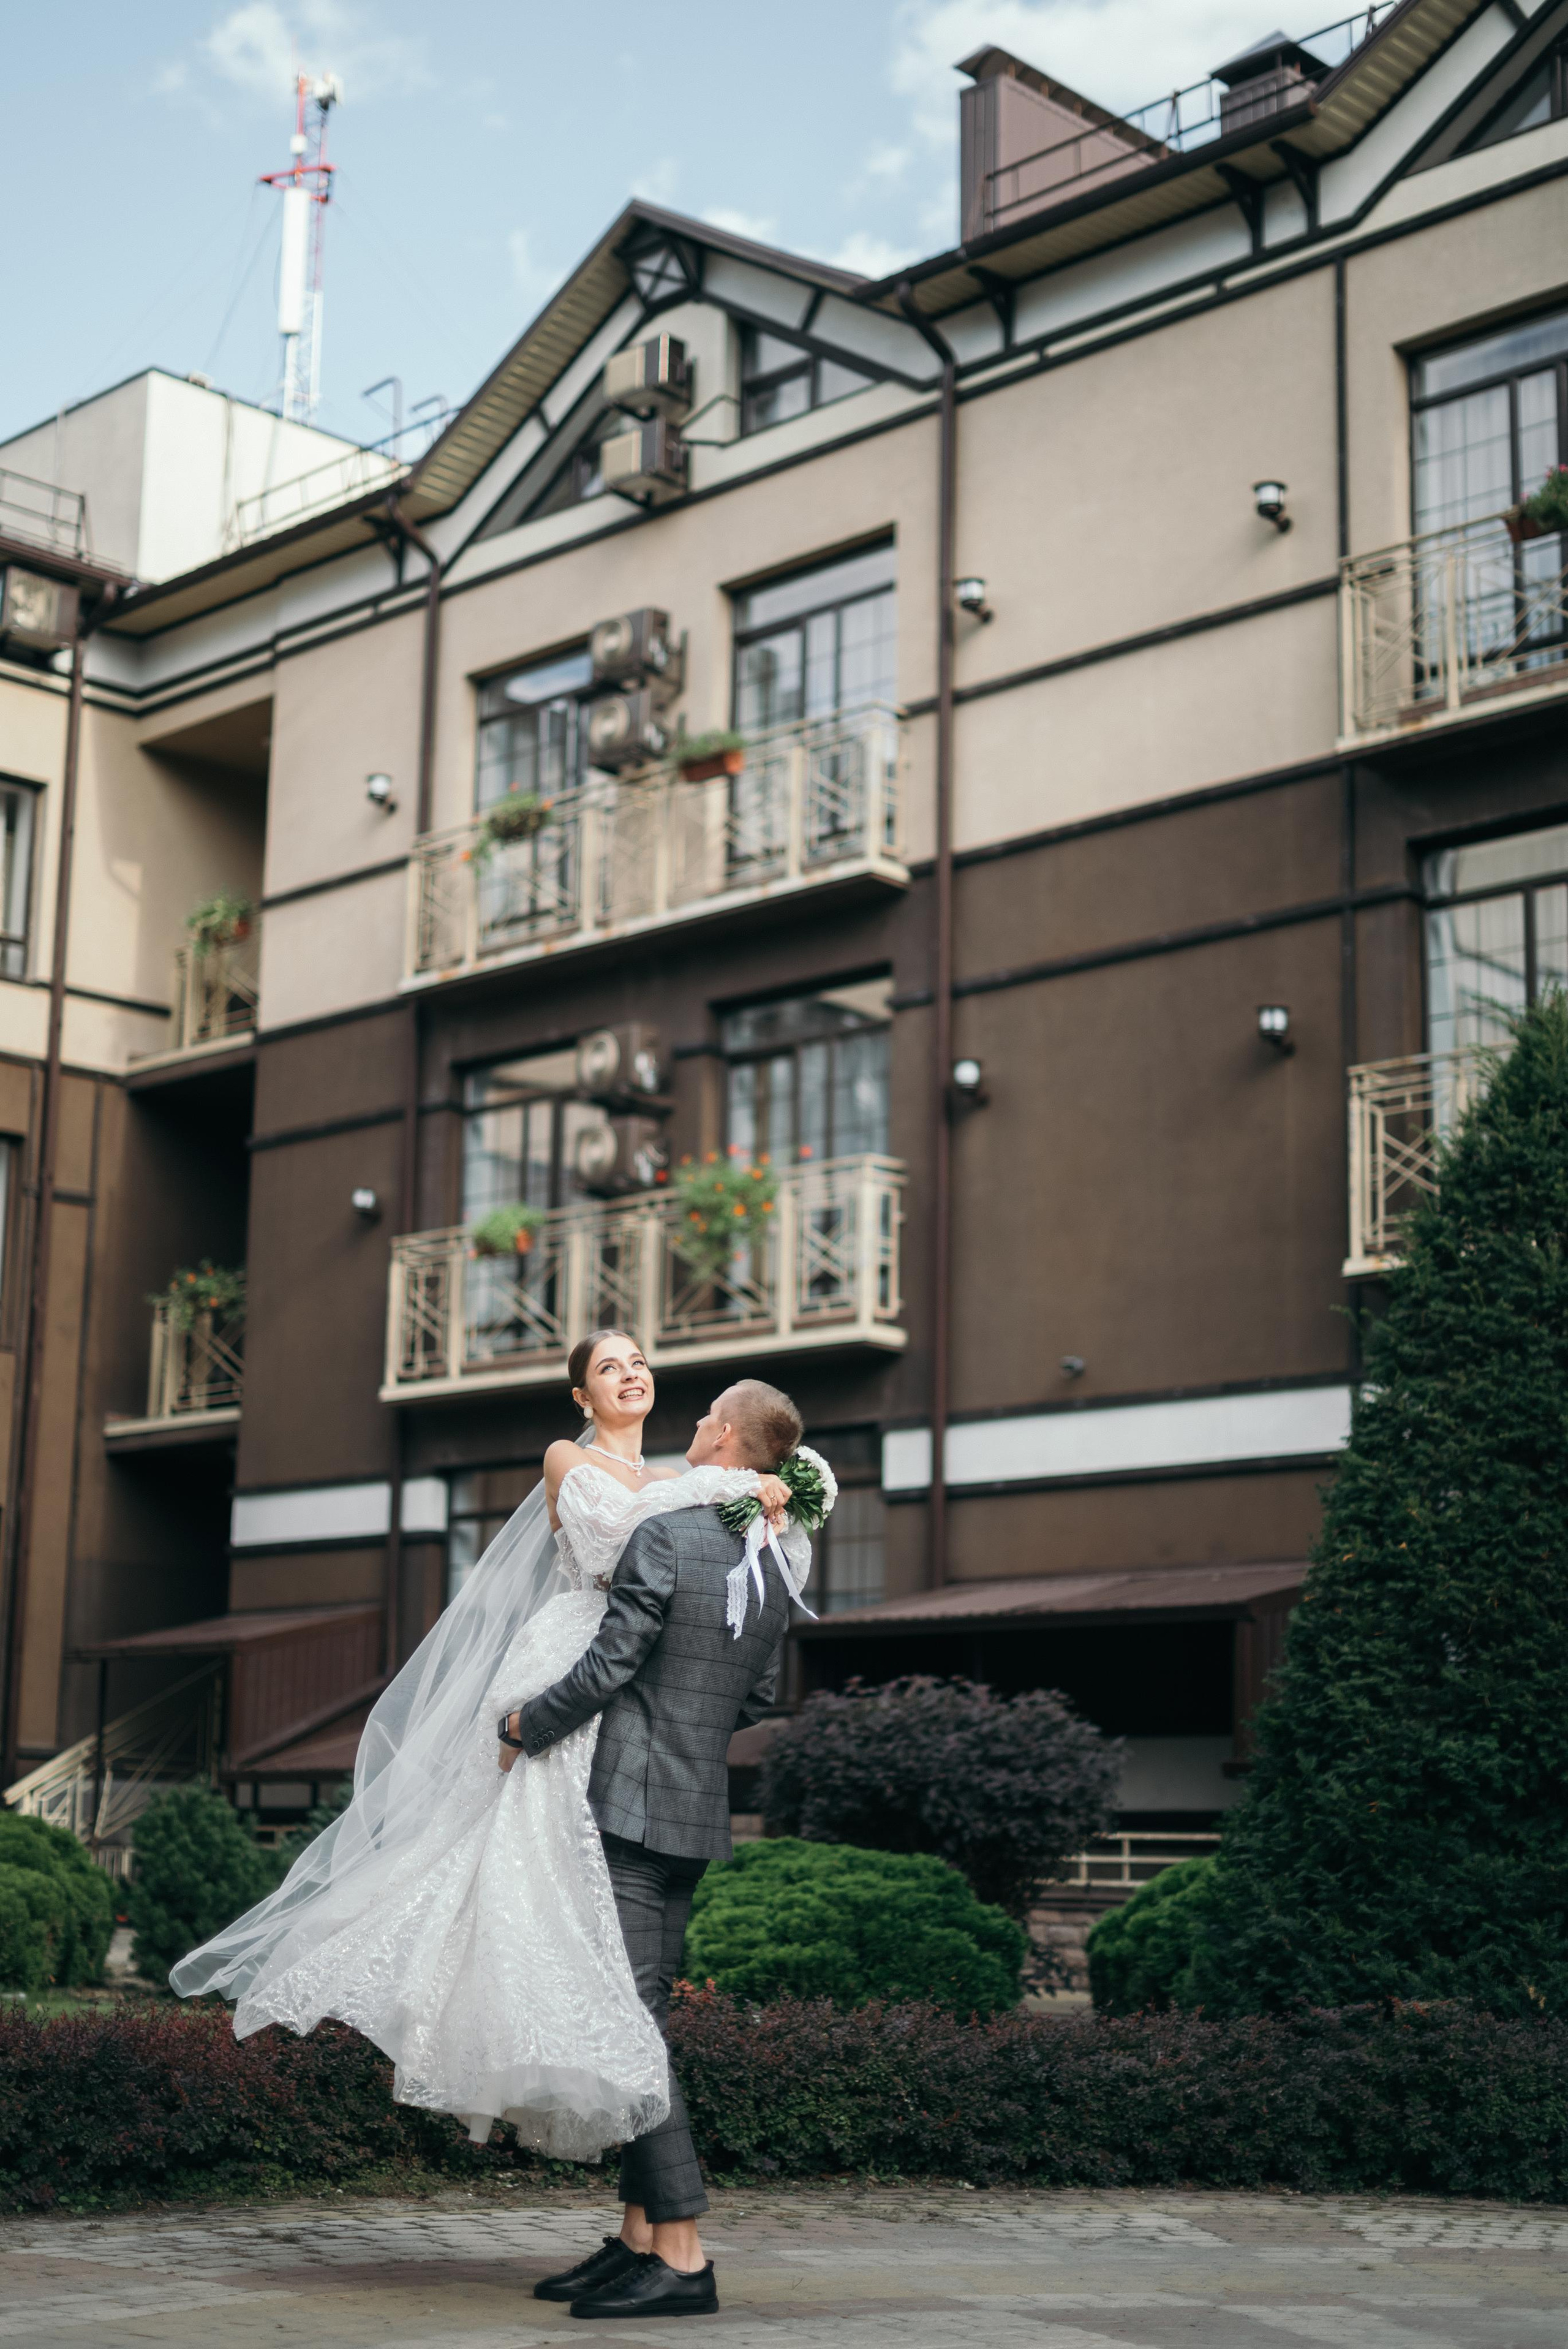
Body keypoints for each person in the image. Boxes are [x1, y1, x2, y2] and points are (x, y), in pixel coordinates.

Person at [168, 1331, 812, 2182]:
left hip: (629, 1694)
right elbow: (632, 1541)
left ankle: (647, 2217)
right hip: (573, 1666)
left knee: (599, 1947)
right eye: (609, 1367)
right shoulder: (573, 1461)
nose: (631, 1374)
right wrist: (750, 1491)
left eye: (639, 1361)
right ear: (582, 1397)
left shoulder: (683, 1486)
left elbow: (699, 1550)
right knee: (502, 1860)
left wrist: (753, 1488)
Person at [503, 1367, 804, 2324]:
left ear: (723, 1443)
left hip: (629, 1807)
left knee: (631, 2026)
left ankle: (682, 2253)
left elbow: (610, 1663)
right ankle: (637, 2238)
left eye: (707, 1419)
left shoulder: (665, 1533)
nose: (696, 1427)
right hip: (694, 1810)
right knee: (647, 2015)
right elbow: (758, 1699)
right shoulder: (776, 1553)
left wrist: (524, 1724)